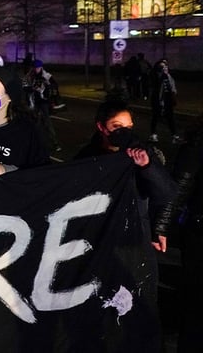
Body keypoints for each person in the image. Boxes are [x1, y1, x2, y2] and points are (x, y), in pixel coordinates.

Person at [72, 100, 178, 346]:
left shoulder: (143, 155)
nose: (124, 132)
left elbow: (167, 194)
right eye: (116, 126)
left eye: (128, 126)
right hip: (97, 245)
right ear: (102, 127)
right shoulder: (87, 156)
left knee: (136, 313)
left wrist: (147, 166)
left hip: (133, 247)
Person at [170, 112, 203, 352]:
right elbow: (177, 191)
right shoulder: (195, 148)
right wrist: (161, 227)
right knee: (196, 300)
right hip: (199, 232)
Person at [24, 59, 62, 152]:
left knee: (47, 123)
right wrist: (32, 88)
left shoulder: (46, 76)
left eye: (38, 68)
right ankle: (33, 143)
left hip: (43, 102)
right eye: (35, 68)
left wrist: (47, 88)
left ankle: (55, 143)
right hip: (33, 102)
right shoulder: (29, 76)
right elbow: (24, 86)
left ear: (41, 67)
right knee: (33, 123)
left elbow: (54, 85)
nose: (37, 69)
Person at [148, 58, 181, 144]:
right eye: (162, 66)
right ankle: (153, 135)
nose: (165, 68)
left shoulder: (168, 76)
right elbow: (156, 87)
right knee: (156, 116)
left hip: (168, 99)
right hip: (157, 99)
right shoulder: (155, 75)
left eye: (166, 65)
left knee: (170, 117)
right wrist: (162, 77)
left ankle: (174, 136)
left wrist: (173, 97)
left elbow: (172, 87)